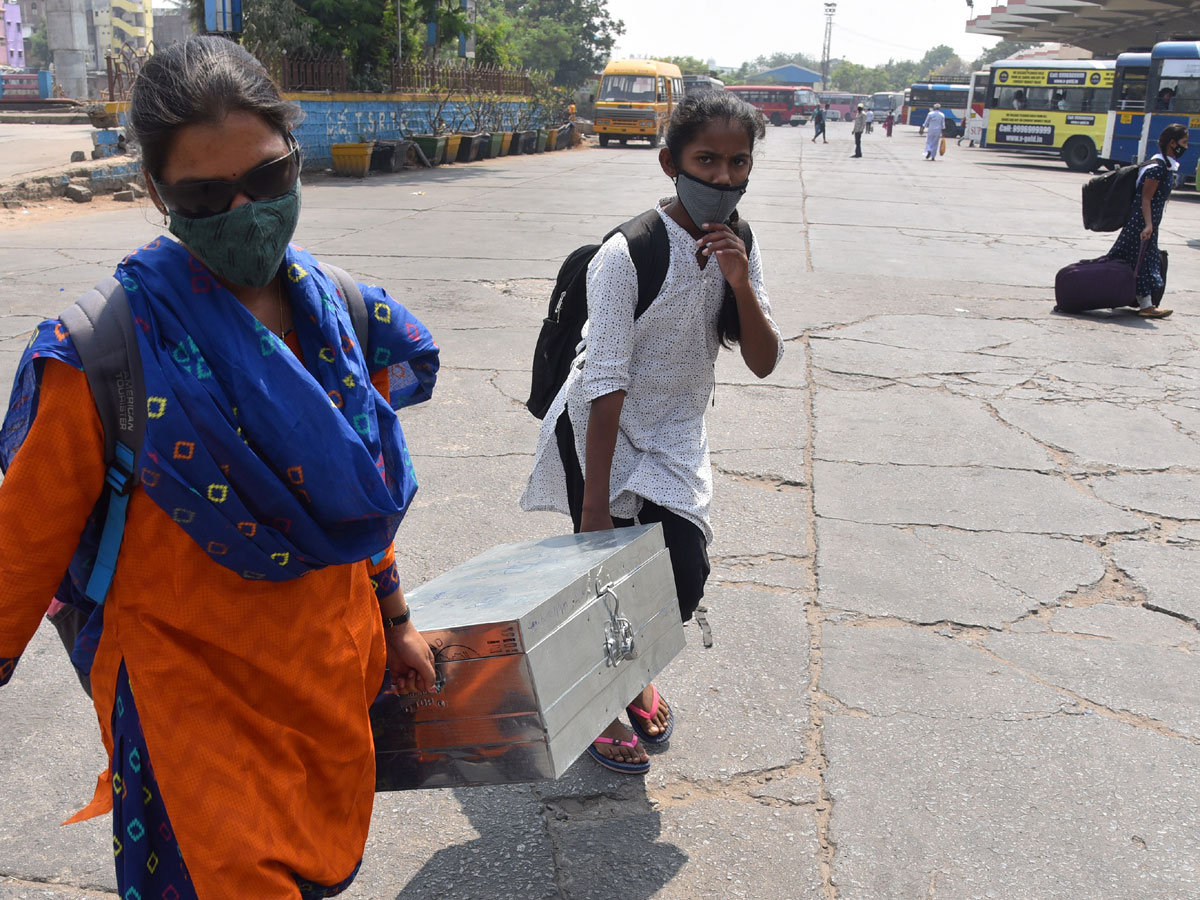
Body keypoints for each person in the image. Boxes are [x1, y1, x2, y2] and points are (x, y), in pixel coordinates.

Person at [0, 36, 440, 899]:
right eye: (207, 194)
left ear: (295, 157)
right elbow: (13, 563)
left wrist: (393, 619)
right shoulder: (98, 357)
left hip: (326, 699)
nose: (247, 210)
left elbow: (356, 509)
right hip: (188, 721)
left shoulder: (340, 318)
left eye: (270, 179)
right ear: (157, 192)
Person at [520, 91, 783, 774]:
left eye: (738, 162)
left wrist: (739, 281)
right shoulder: (627, 253)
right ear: (671, 162)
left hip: (674, 436)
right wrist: (593, 507)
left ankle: (631, 671)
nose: (723, 178)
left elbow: (762, 359)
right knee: (604, 578)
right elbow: (604, 381)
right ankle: (600, 700)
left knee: (682, 576)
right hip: (601, 430)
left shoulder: (740, 243)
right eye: (706, 160)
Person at [1108, 123, 1189, 318]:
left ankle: (1125, 297)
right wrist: (1148, 224)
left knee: (1134, 259)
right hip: (1141, 223)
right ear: (1172, 143)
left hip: (1146, 222)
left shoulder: (1163, 165)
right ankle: (1145, 305)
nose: (1186, 147)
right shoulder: (1157, 168)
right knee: (1143, 261)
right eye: (1184, 142)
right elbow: (1146, 198)